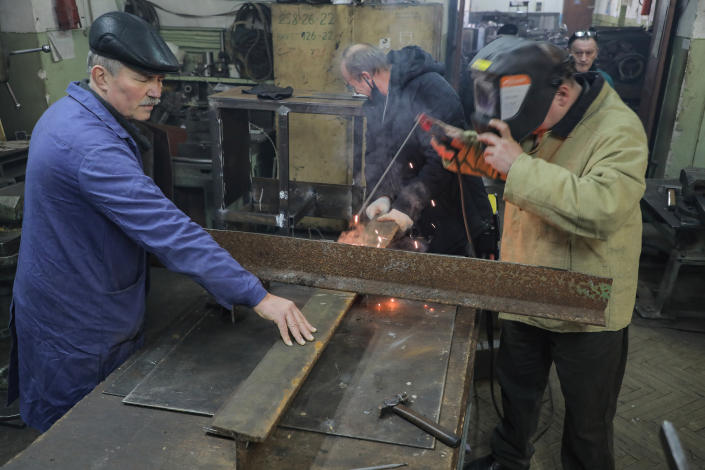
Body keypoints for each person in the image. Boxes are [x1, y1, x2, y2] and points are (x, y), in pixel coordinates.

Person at [7, 11, 316, 433]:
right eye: (143, 80)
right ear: (101, 76)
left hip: (68, 299)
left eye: (160, 80)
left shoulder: (69, 110)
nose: (156, 93)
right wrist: (258, 296)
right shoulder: (90, 148)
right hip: (79, 326)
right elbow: (169, 230)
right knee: (79, 438)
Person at [431, 37, 647, 469]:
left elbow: (600, 208)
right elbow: (520, 156)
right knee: (517, 396)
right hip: (527, 287)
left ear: (563, 92)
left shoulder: (620, 131)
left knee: (587, 422)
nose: (527, 134)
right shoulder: (545, 110)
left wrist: (518, 165)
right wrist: (470, 151)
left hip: (585, 302)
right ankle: (510, 461)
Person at [340, 43, 496, 257]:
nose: (355, 92)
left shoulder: (430, 89)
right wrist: (381, 194)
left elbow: (441, 161)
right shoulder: (377, 102)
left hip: (452, 211)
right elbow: (376, 152)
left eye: (352, 85)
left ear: (366, 76)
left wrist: (406, 206)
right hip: (416, 212)